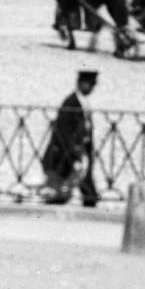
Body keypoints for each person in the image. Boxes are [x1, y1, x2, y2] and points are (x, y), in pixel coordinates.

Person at [40, 70, 98, 206]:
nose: (92, 88)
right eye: (90, 85)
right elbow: (65, 130)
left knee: (79, 180)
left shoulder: (81, 101)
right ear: (81, 83)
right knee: (68, 182)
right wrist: (75, 149)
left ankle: (89, 198)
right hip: (68, 151)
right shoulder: (72, 102)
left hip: (78, 149)